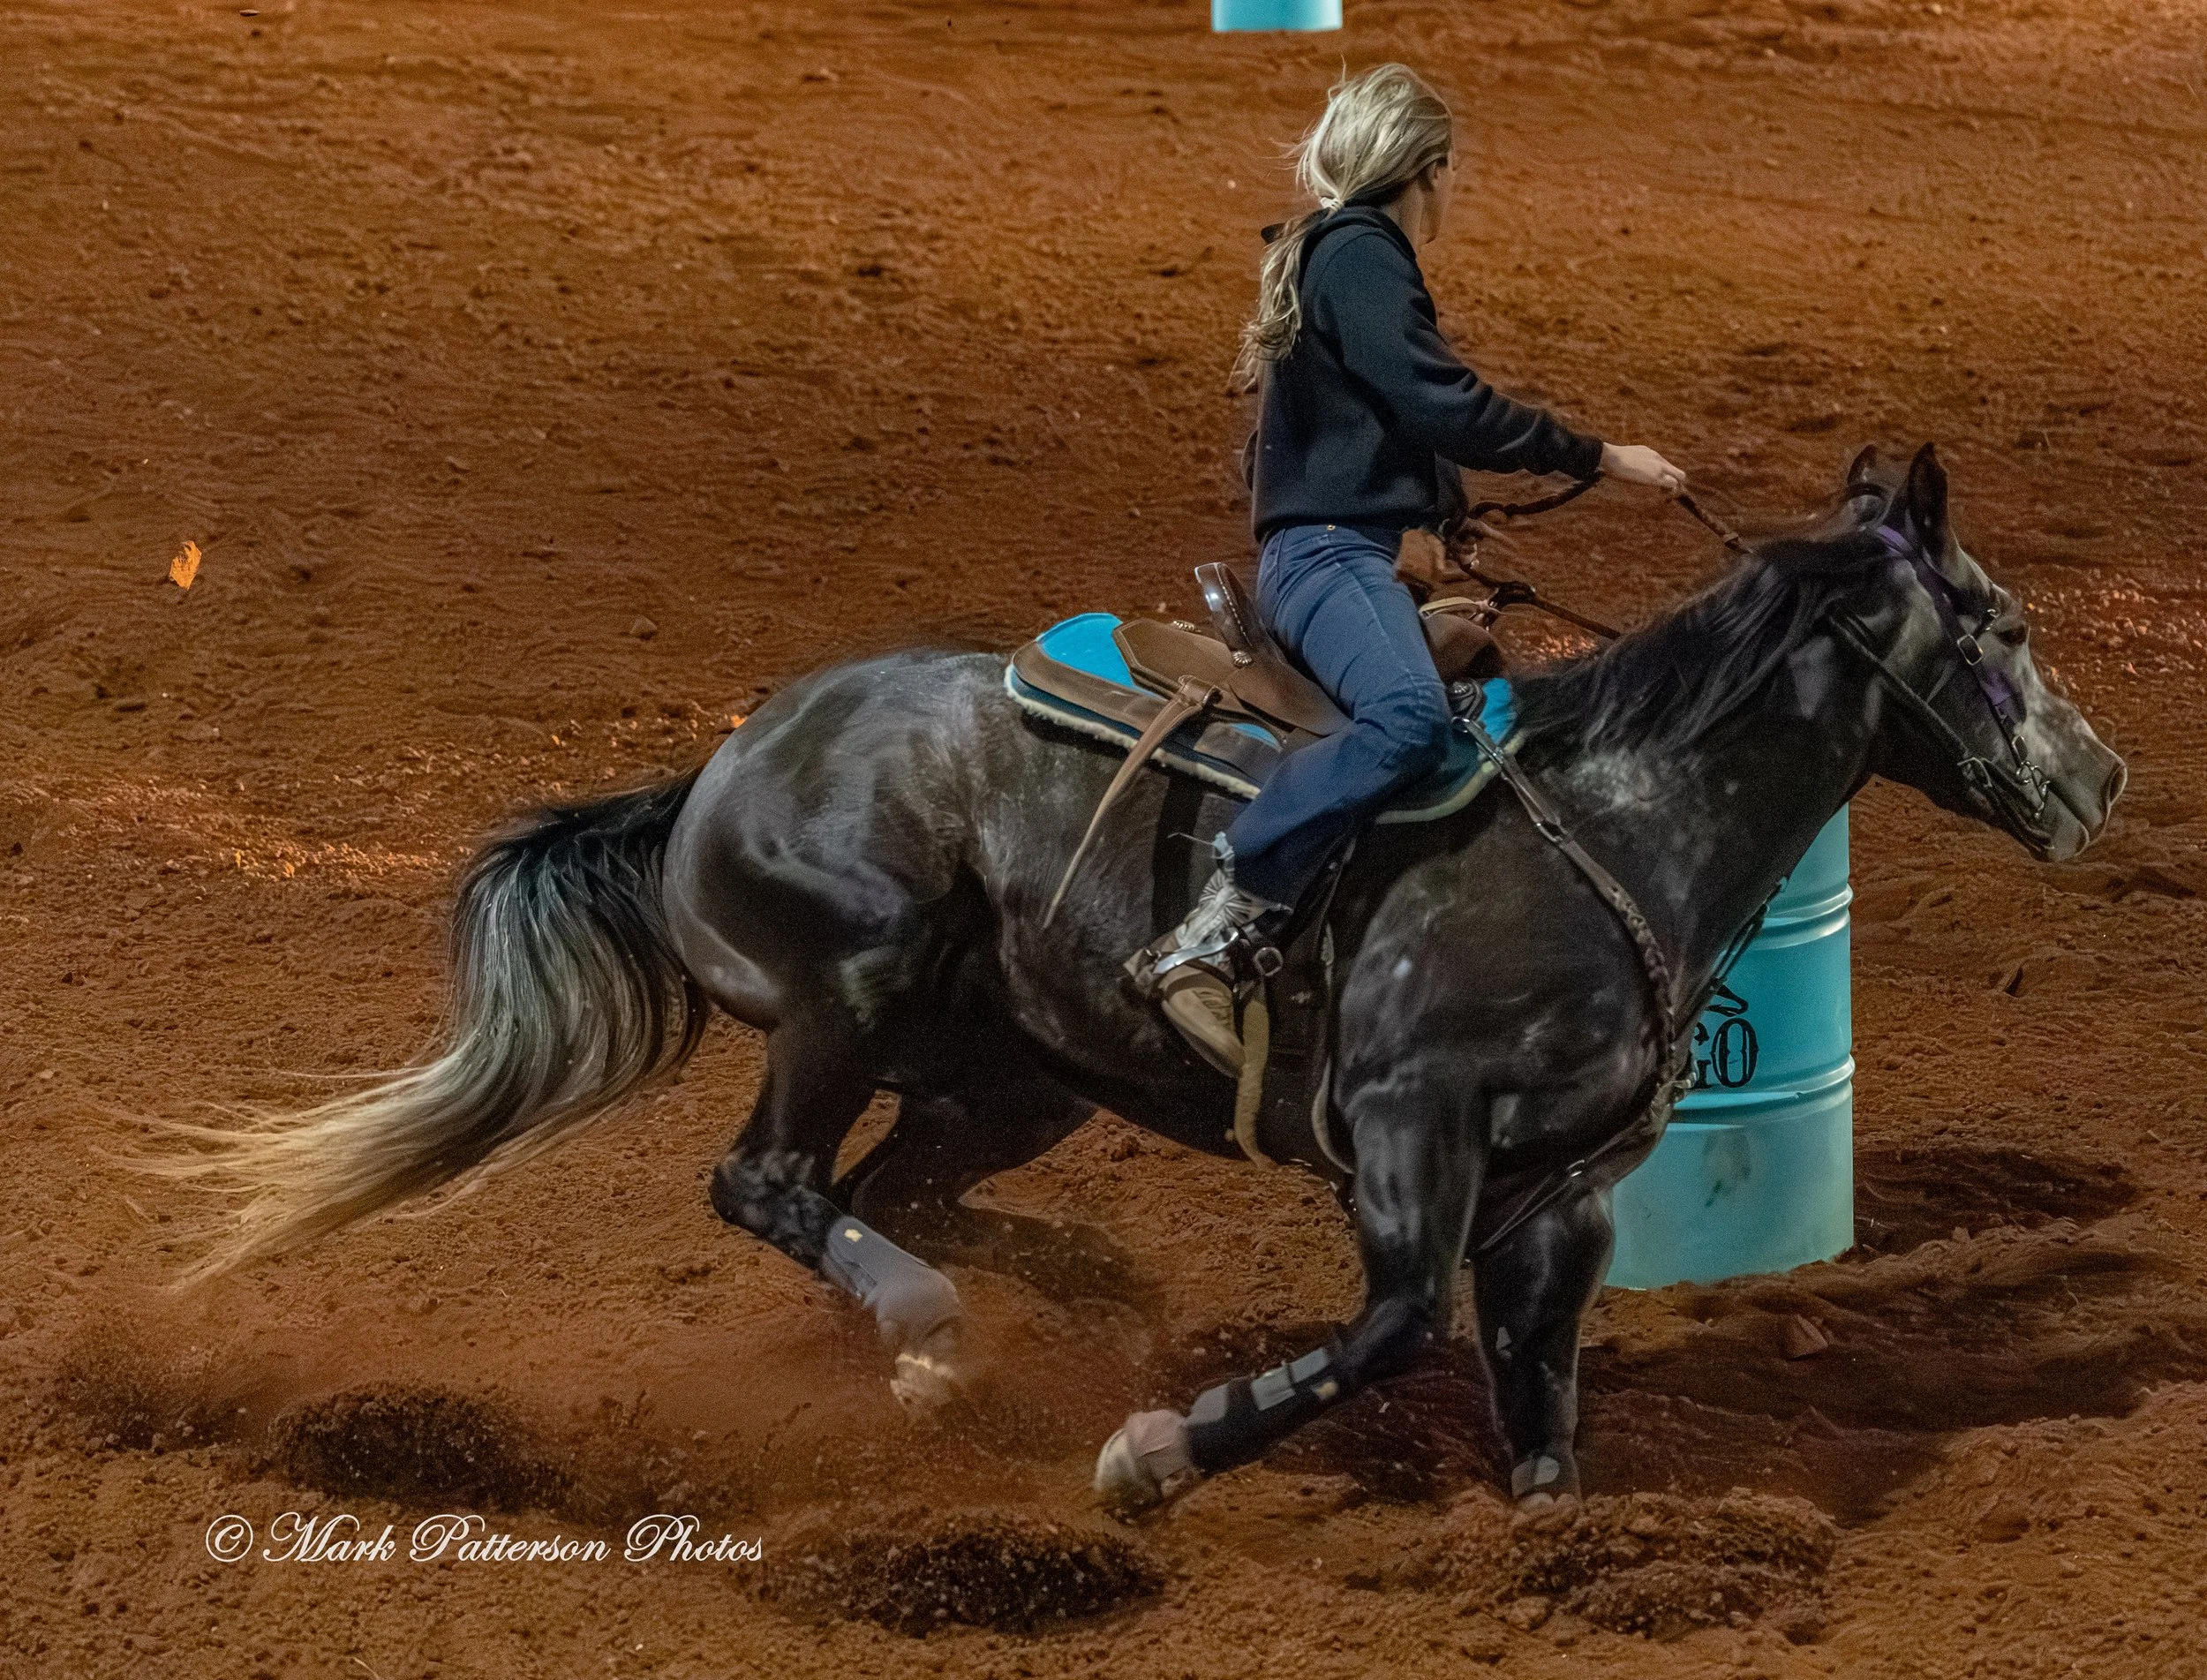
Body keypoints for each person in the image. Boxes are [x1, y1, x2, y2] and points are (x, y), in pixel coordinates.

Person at [1130, 64, 1687, 1076]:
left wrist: (1428, 519)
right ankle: (1213, 932)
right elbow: (1441, 402)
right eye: (1451, 173)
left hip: (1346, 557)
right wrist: (1599, 455)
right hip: (1333, 559)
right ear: (1427, 170)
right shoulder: (1363, 255)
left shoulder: (1329, 256)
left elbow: (1375, 425)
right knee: (1408, 721)